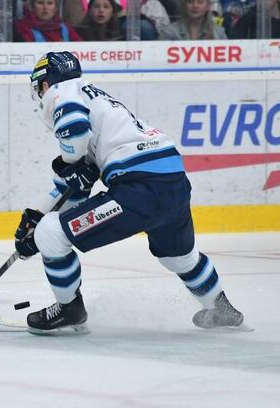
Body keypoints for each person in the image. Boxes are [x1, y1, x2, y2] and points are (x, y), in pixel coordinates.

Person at [15, 52, 245, 334]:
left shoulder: (63, 91)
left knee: (51, 233)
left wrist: (44, 228)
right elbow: (76, 190)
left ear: (45, 84)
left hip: (139, 191)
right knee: (179, 257)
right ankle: (220, 309)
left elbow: (73, 132)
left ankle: (69, 308)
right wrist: (37, 215)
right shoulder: (98, 103)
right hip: (173, 183)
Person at [14, 0, 82, 42]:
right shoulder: (23, 27)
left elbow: (81, 49)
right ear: (32, 7)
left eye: (49, 3)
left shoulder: (66, 28)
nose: (45, 7)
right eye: (40, 3)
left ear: (56, 8)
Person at [158, 0, 227, 39]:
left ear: (208, 6)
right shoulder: (169, 32)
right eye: (190, 1)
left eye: (200, 2)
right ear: (185, 5)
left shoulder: (218, 33)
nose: (195, 6)